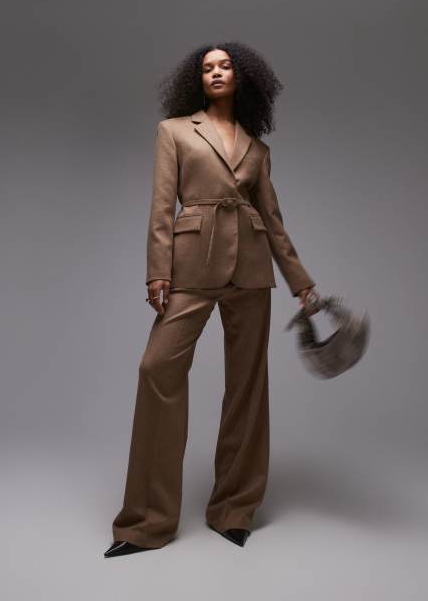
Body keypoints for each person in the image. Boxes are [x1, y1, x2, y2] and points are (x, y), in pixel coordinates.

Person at [104, 41, 320, 558]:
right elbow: (162, 206)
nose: (216, 72)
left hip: (251, 269)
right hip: (191, 265)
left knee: (247, 388)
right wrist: (158, 272)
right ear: (196, 80)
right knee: (157, 369)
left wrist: (302, 283)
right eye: (207, 68)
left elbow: (274, 222)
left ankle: (234, 510)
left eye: (225, 66)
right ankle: (147, 521)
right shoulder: (175, 131)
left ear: (242, 78)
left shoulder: (258, 150)